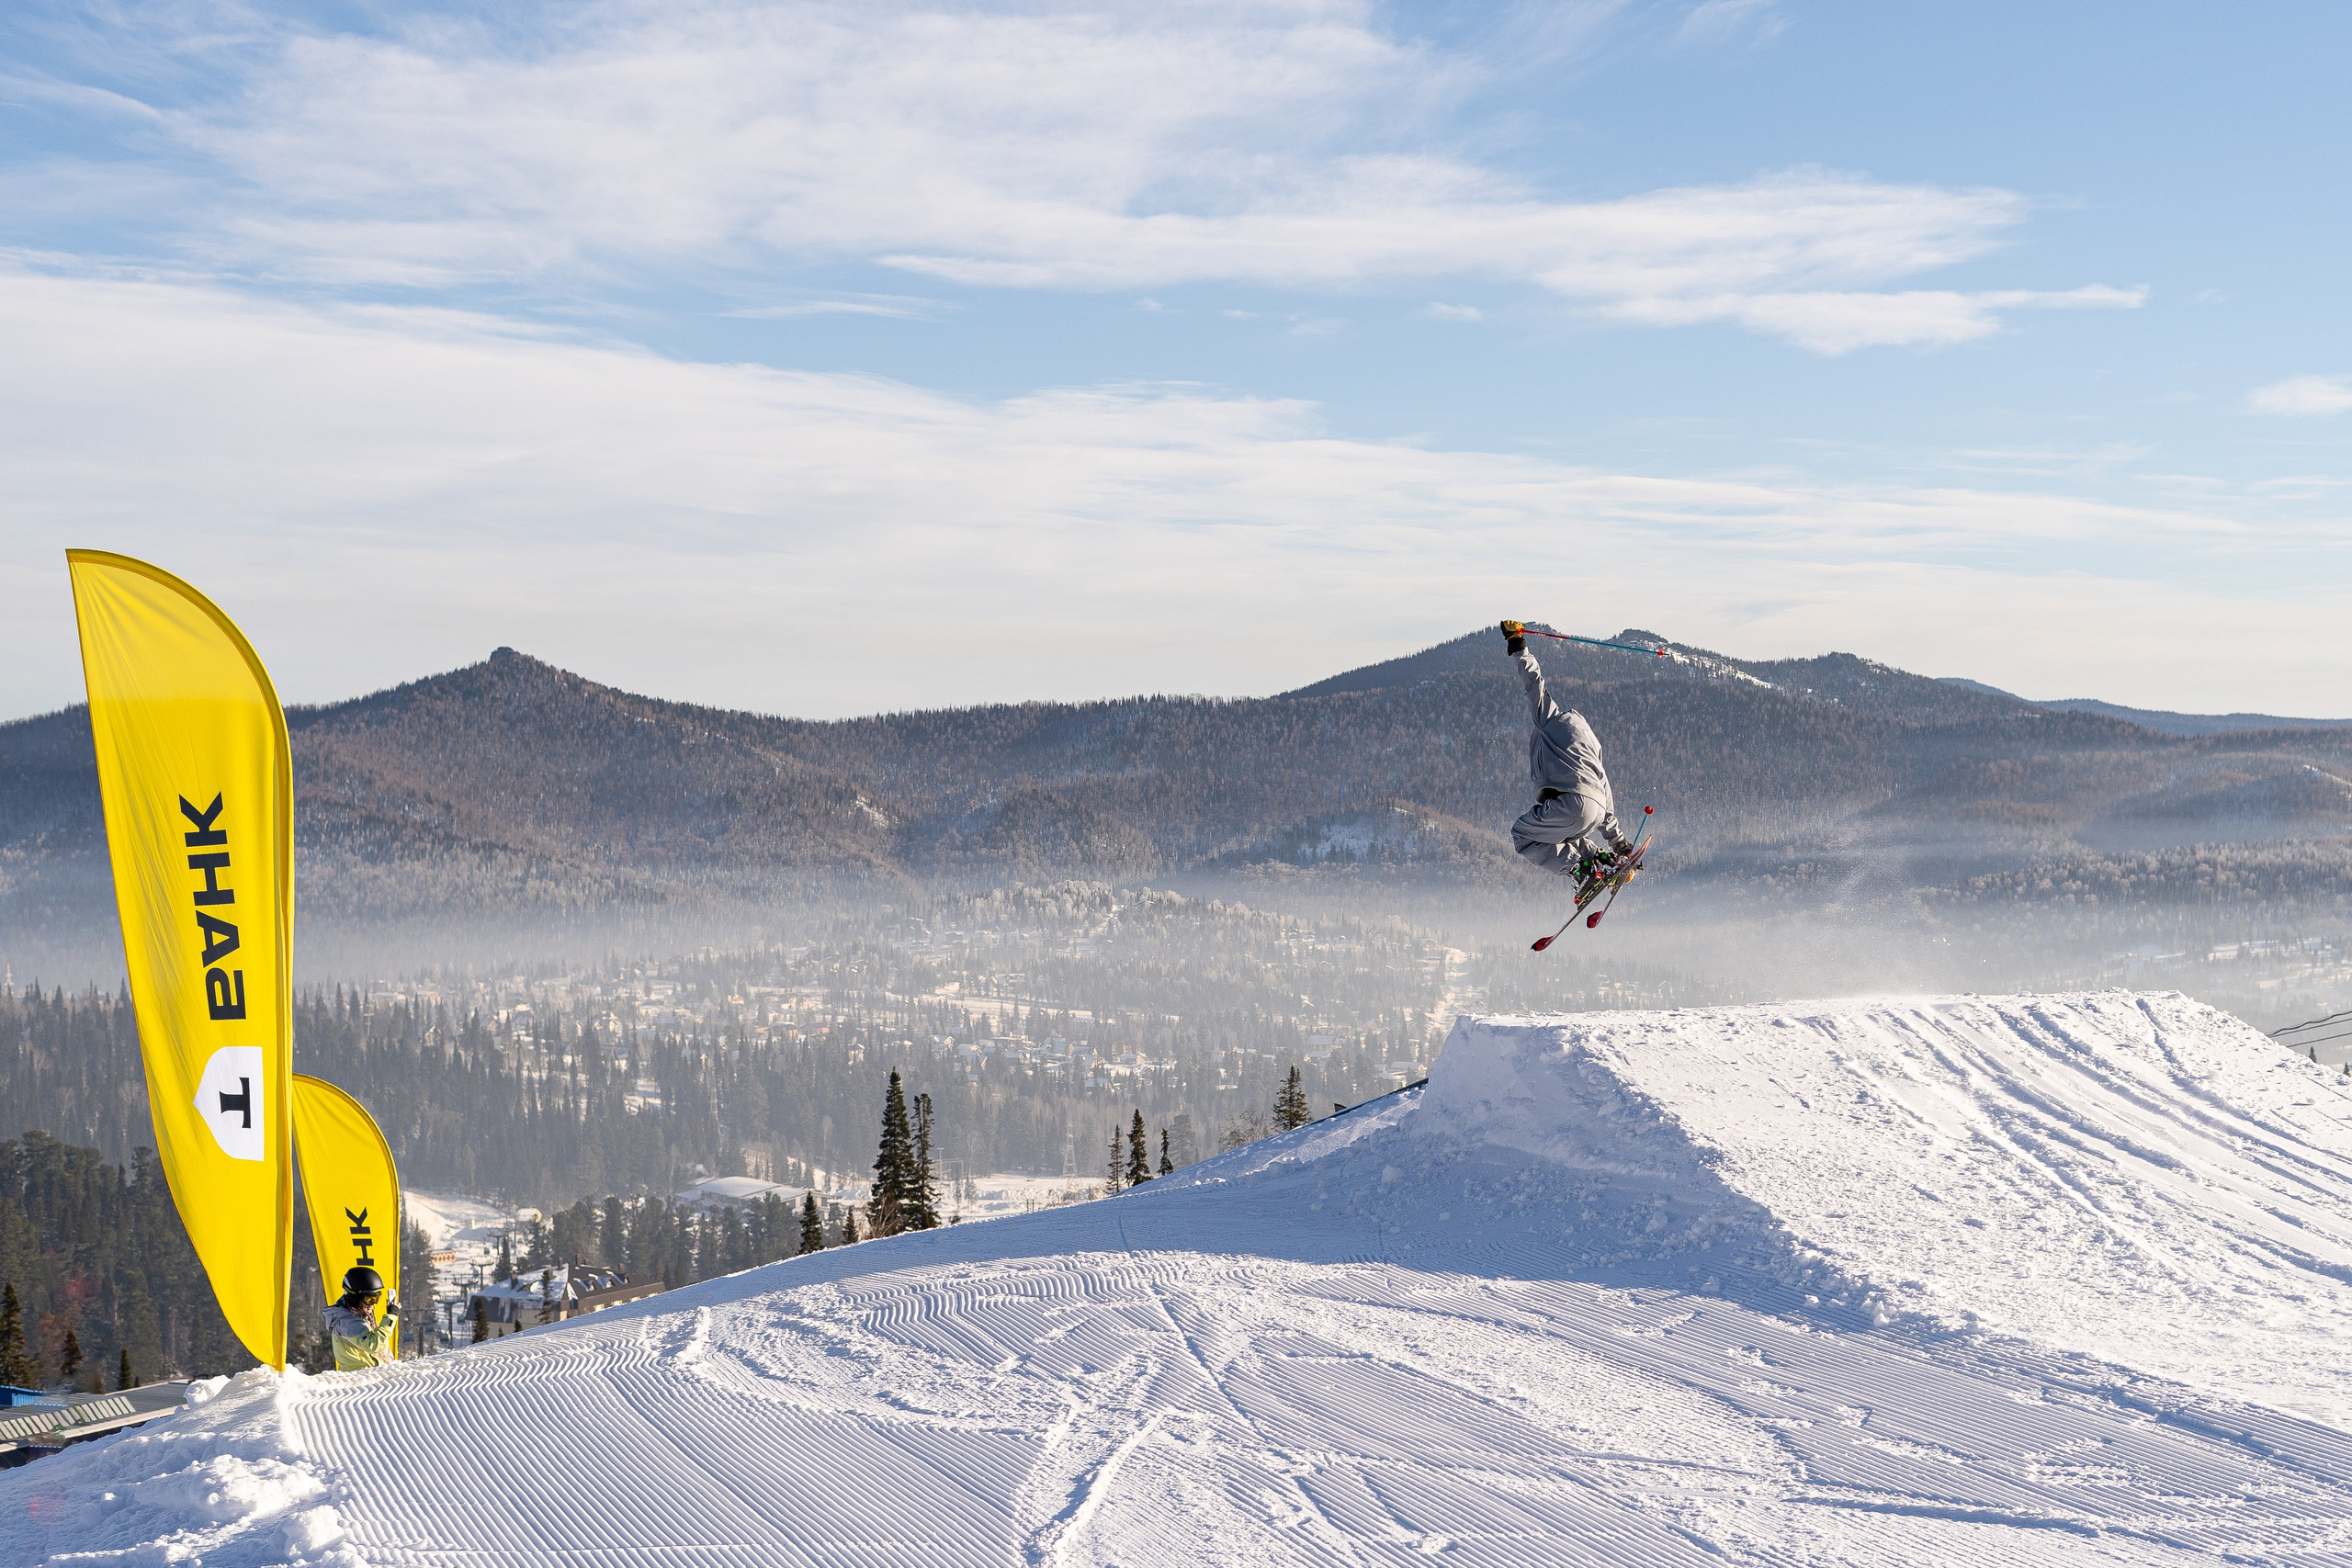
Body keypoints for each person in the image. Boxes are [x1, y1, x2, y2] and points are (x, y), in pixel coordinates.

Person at [1499, 619, 1635, 897]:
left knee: (1523, 835)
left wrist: (1518, 646)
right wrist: (1618, 842)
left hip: (1571, 803)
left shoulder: (1551, 720)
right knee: (1566, 833)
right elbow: (1605, 795)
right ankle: (1602, 862)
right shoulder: (1591, 746)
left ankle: (1580, 870)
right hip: (1595, 811)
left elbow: (1534, 684)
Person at [322, 1265, 400, 1371]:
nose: (373, 1304)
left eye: (376, 1298)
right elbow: (374, 1345)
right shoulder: (346, 1322)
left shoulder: (359, 1315)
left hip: (371, 1375)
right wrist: (391, 1317)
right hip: (358, 1380)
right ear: (354, 1297)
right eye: (369, 1299)